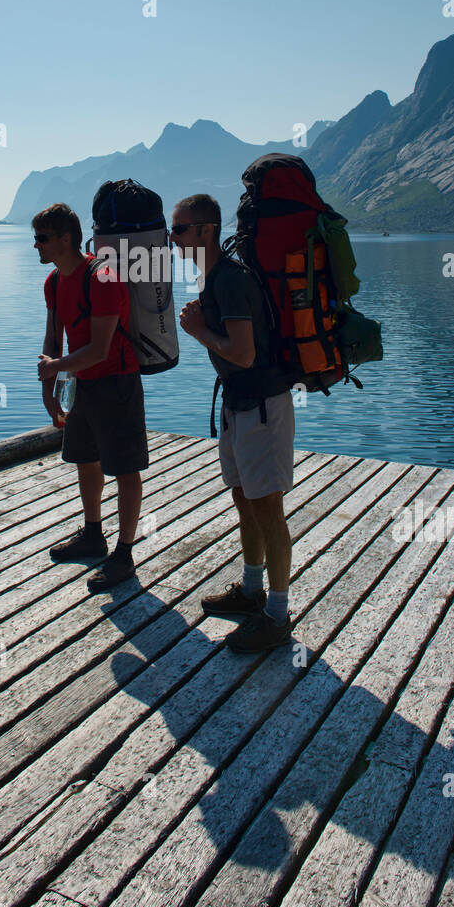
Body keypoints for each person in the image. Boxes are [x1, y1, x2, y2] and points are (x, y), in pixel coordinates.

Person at [171, 194, 295, 651]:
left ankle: (277, 616)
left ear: (207, 231)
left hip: (262, 408)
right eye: (172, 230)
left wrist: (198, 331)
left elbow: (242, 354)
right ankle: (250, 591)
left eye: (181, 229)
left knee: (268, 511)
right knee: (244, 500)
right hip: (238, 406)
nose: (173, 238)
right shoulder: (213, 278)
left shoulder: (230, 281)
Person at [34, 203, 149, 591]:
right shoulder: (53, 282)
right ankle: (93, 534)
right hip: (81, 384)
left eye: (43, 238)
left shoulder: (102, 277)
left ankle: (125, 553)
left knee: (125, 469)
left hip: (117, 382)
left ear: (66, 238)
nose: (36, 246)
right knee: (85, 459)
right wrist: (49, 393)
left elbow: (100, 349)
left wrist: (56, 368)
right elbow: (53, 340)